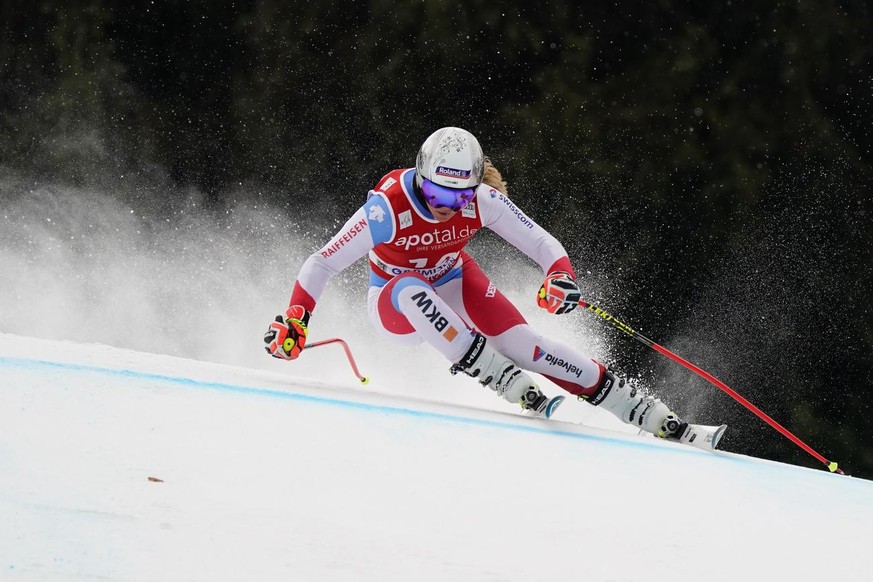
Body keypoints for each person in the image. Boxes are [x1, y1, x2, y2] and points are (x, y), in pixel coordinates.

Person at [264, 127, 723, 448]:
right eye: (441, 195)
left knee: (524, 343)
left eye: (460, 197)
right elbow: (321, 263)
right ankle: (493, 373)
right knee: (409, 286)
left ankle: (647, 412)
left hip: (452, 278)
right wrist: (297, 319)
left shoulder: (481, 200)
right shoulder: (388, 207)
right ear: (422, 179)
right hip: (394, 304)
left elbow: (543, 243)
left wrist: (559, 276)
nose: (450, 207)